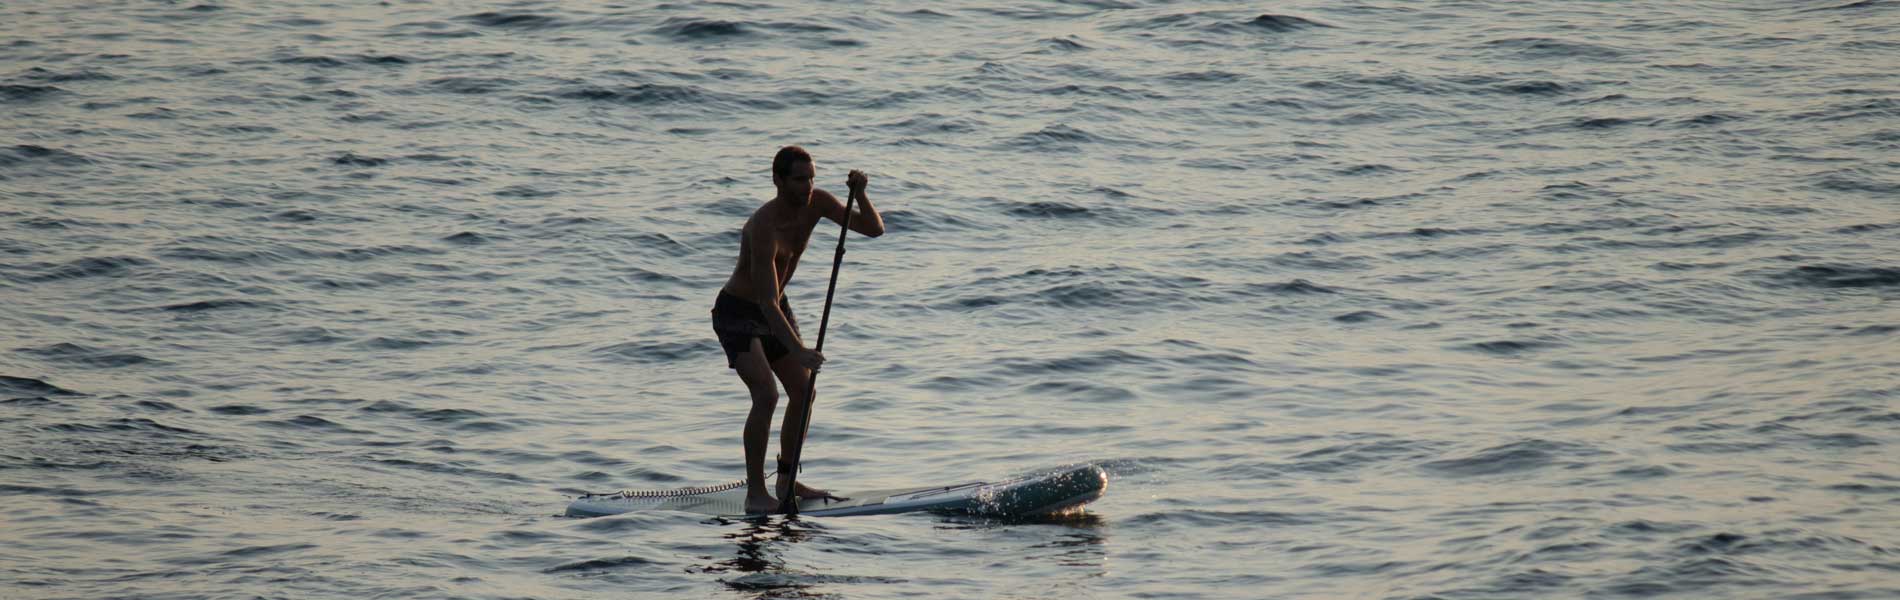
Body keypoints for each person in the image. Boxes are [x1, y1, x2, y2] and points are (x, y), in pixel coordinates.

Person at [711, 145, 885, 514]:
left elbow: (873, 229)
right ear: (777, 180)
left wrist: (862, 194)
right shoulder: (762, 227)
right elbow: (767, 304)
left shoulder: (818, 203)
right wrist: (801, 351)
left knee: (805, 390)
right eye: (799, 179)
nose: (807, 186)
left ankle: (787, 480)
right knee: (767, 394)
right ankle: (756, 492)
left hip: (776, 305)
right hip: (740, 312)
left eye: (811, 178)